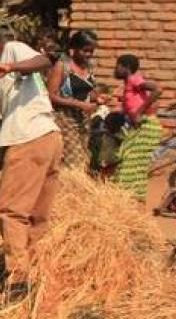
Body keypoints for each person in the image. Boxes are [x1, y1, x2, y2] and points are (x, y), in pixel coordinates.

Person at [0, 26, 63, 272]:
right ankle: (34, 269)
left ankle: (18, 276)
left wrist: (10, 67)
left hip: (30, 138)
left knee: (10, 211)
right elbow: (9, 116)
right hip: (48, 137)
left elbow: (47, 60)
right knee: (38, 213)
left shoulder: (12, 50)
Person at [46, 30, 101, 170]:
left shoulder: (88, 67)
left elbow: (88, 92)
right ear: (74, 49)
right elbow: (51, 95)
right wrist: (78, 104)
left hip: (83, 121)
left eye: (91, 51)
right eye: (85, 51)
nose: (88, 55)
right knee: (73, 162)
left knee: (84, 157)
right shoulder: (62, 66)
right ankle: (70, 190)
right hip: (65, 120)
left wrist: (98, 98)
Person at [112, 54, 164, 200]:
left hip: (147, 126)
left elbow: (158, 90)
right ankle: (130, 199)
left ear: (126, 67)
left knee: (130, 164)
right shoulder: (129, 84)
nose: (115, 69)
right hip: (141, 127)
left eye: (118, 66)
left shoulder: (135, 80)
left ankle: (131, 199)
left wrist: (138, 112)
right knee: (127, 161)